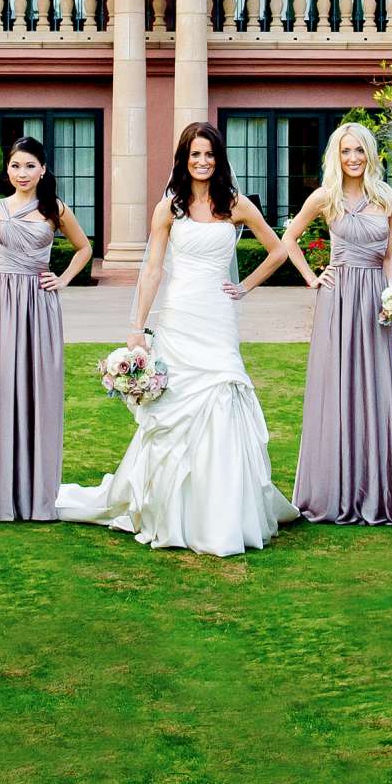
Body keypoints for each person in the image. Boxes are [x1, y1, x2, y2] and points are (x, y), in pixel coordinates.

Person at [55, 122, 301, 558]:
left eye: (209, 154)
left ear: (218, 159)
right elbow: (151, 270)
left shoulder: (236, 205)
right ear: (183, 160)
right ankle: (170, 512)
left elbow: (278, 250)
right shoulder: (169, 208)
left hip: (217, 317)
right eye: (194, 155)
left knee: (223, 395)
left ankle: (225, 515)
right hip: (179, 315)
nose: (202, 162)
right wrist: (137, 327)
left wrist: (245, 287)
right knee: (175, 410)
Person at [281, 121, 392, 527]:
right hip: (338, 298)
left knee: (376, 388)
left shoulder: (388, 199)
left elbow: (389, 255)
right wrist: (311, 277)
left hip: (376, 300)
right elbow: (289, 238)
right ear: (336, 157)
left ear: (370, 154)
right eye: (346, 151)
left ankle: (377, 490)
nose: (353, 158)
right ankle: (333, 489)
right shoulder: (325, 197)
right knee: (336, 388)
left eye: (360, 150)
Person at [0, 136, 92, 521]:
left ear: (43, 169)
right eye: (16, 166)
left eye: (30, 166)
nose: (22, 173)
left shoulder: (55, 209)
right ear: (7, 169)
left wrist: (62, 279)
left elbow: (85, 249)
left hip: (38, 308)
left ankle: (35, 493)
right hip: (0, 306)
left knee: (38, 392)